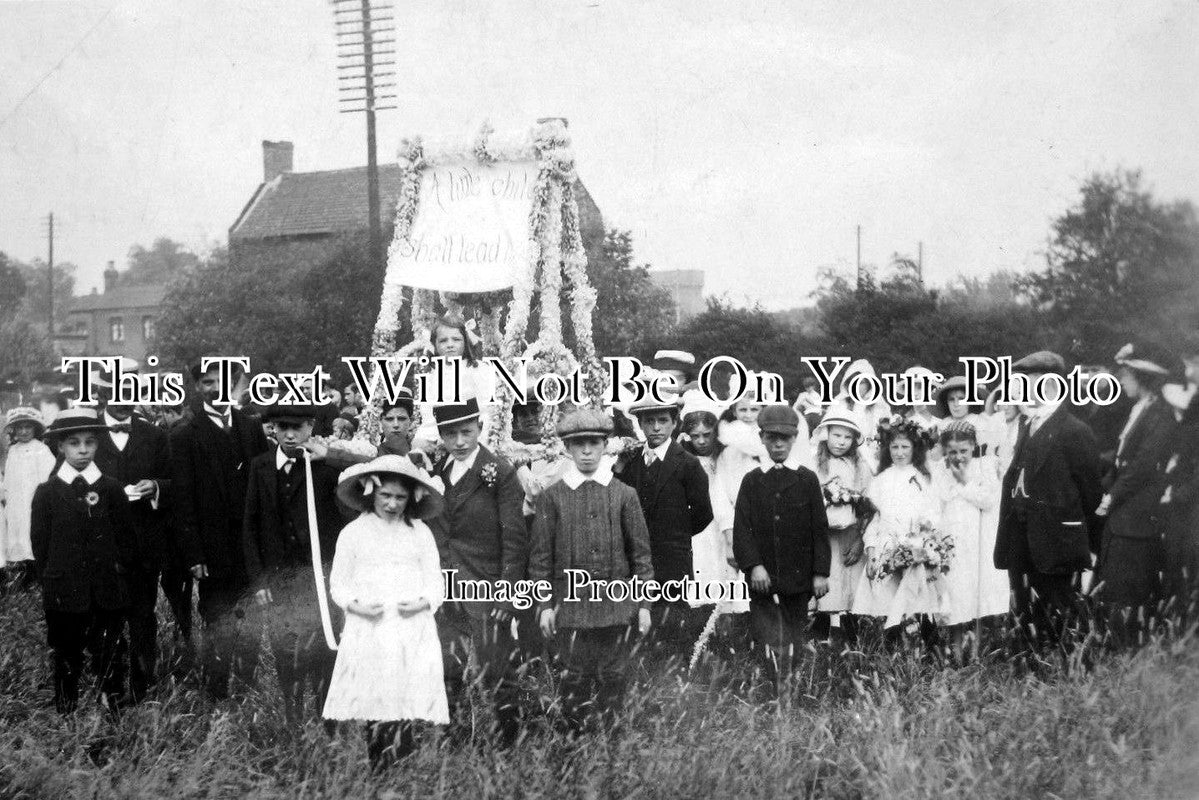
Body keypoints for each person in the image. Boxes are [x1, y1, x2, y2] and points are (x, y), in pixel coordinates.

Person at [529, 408, 654, 734]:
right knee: (574, 680)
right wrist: (544, 605)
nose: (586, 451)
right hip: (570, 610)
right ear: (567, 448)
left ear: (605, 446)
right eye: (579, 444)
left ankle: (611, 742)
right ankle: (577, 744)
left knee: (614, 678)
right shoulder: (552, 498)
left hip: (615, 609)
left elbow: (641, 556)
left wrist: (643, 605)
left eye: (594, 443)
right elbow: (540, 559)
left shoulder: (624, 495)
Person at [323, 456, 448, 769]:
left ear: (411, 499)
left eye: (400, 497)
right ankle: (378, 766)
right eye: (386, 495)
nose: (392, 504)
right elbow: (339, 583)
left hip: (409, 626)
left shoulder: (420, 533)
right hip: (371, 626)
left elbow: (436, 582)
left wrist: (423, 602)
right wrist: (355, 606)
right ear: (371, 493)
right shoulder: (353, 533)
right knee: (375, 696)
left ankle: (402, 765)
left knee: (405, 696)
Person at [429, 398, 528, 747]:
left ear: (480, 428)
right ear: (440, 434)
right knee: (448, 667)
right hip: (445, 587)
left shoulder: (500, 473)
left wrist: (507, 593)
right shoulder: (437, 472)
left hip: (486, 587)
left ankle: (509, 745)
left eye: (466, 432)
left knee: (497, 669)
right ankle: (454, 740)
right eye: (450, 434)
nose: (459, 442)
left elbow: (515, 539)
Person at [171, 358, 270, 698]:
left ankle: (245, 688)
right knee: (217, 618)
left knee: (251, 619)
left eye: (223, 382)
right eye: (208, 382)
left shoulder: (251, 427)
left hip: (249, 546)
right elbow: (183, 498)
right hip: (212, 548)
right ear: (198, 387)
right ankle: (216, 692)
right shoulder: (184, 434)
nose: (216, 389)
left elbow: (264, 486)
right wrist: (194, 553)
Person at [993, 351, 1102, 658]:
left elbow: (1090, 493)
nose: (1023, 388)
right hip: (1021, 534)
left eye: (1029, 381)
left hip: (1056, 538)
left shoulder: (1075, 430)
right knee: (1025, 606)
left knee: (1061, 606)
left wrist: (1065, 522)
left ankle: (1074, 664)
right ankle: (1031, 663)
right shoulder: (1029, 424)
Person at [243, 404, 346, 724]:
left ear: (311, 427)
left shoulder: (324, 468)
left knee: (324, 647)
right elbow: (251, 526)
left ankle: (327, 719)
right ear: (272, 428)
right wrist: (259, 581)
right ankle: (293, 718)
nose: (289, 435)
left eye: (297, 427)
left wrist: (331, 456)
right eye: (282, 427)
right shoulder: (260, 466)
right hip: (279, 580)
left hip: (318, 579)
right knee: (285, 649)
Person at [30, 407, 135, 713]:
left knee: (110, 652)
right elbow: (41, 545)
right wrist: (54, 580)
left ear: (98, 444)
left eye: (90, 442)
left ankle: (112, 708)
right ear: (60, 446)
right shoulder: (47, 492)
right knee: (66, 652)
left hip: (106, 590)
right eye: (74, 443)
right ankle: (67, 709)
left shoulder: (111, 488)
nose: (83, 450)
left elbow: (126, 539)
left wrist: (116, 573)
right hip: (64, 591)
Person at [91, 368, 173, 701]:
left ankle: (142, 686)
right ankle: (109, 685)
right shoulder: (88, 434)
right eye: (116, 393)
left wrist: (156, 486)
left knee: (142, 615)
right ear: (101, 395)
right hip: (102, 545)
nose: (125, 401)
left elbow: (174, 480)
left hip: (143, 545)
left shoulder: (154, 435)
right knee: (105, 616)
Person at [732, 405, 830, 683]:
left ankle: (790, 691)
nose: (778, 444)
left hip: (797, 579)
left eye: (784, 438)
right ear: (761, 438)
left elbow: (819, 528)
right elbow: (742, 529)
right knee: (768, 637)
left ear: (795, 438)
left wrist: (820, 572)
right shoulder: (752, 480)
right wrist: (754, 566)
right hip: (763, 580)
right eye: (771, 437)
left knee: (793, 637)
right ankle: (771, 689)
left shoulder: (806, 479)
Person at [614, 392, 713, 664]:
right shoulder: (632, 462)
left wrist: (676, 534)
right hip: (636, 559)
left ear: (674, 423)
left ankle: (673, 678)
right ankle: (641, 677)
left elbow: (703, 513)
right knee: (637, 620)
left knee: (671, 621)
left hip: (673, 558)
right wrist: (619, 467)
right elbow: (618, 500)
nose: (656, 427)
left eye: (662, 420)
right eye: (649, 421)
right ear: (640, 424)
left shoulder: (688, 463)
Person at [1095, 342, 1179, 646]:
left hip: (1140, 511)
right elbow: (1121, 459)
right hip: (1125, 509)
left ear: (1142, 377)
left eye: (1126, 376)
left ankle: (1131, 648)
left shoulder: (1160, 415)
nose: (1121, 382)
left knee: (1131, 587)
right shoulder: (1138, 409)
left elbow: (1143, 464)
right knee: (1115, 584)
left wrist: (1113, 495)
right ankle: (1114, 646)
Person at [851, 416, 945, 648]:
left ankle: (928, 654)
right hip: (887, 548)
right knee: (889, 604)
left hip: (916, 548)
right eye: (894, 447)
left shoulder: (925, 478)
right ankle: (893, 653)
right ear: (887, 448)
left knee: (920, 602)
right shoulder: (880, 480)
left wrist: (922, 545)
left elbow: (933, 515)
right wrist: (872, 553)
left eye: (905, 447)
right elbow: (874, 519)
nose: (900, 452)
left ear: (915, 448)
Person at [932, 420, 1007, 658]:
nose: (958, 457)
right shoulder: (940, 470)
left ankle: (976, 653)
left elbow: (989, 501)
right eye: (952, 452)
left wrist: (965, 480)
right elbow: (936, 503)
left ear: (974, 446)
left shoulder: (985, 466)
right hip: (952, 540)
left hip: (978, 540)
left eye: (963, 451)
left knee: (977, 592)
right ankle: (955, 653)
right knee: (955, 593)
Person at [810, 412, 874, 646]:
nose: (841, 442)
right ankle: (823, 632)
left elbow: (868, 505)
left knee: (850, 584)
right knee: (828, 582)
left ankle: (851, 637)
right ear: (826, 435)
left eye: (847, 437)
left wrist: (859, 539)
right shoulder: (814, 464)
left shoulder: (861, 467)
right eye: (836, 435)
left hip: (851, 533)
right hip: (823, 535)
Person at [680, 409, 747, 618]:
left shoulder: (725, 457)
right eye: (695, 436)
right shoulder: (686, 460)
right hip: (701, 522)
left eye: (706, 435)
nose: (701, 441)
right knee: (703, 563)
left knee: (726, 567)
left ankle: (728, 615)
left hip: (725, 520)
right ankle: (704, 614)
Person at [2, 407, 57, 589]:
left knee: (32, 533)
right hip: (16, 500)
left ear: (35, 429)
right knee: (17, 533)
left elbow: (47, 478)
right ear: (14, 430)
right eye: (20, 428)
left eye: (28, 427)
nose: (24, 431)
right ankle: (23, 572)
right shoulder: (12, 451)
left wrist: (41, 498)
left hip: (33, 499)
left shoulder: (41, 449)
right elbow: (8, 477)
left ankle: (37, 574)